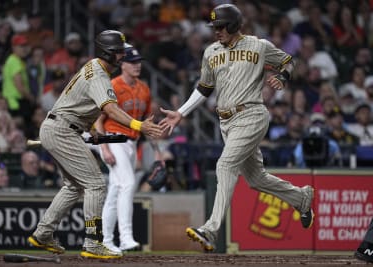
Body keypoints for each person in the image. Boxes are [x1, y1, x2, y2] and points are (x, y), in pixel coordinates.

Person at [159, 4, 314, 252]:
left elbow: (288, 61)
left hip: (251, 114)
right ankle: (300, 198)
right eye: (214, 27)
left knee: (225, 164)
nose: (216, 31)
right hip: (226, 122)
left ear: (233, 25)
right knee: (255, 179)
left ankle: (210, 230)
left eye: (220, 27)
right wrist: (181, 113)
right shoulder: (210, 51)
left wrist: (283, 77)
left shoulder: (258, 45)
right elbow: (204, 88)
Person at [27, 30, 162, 260]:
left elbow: (80, 104)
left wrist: (91, 130)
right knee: (96, 184)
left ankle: (43, 234)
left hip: (59, 127)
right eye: (119, 53)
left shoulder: (94, 66)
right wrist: (139, 126)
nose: (122, 56)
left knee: (73, 187)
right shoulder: (99, 75)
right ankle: (93, 242)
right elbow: (109, 109)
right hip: (62, 130)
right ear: (109, 53)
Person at [94, 44, 158, 253]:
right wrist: (104, 148)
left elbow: (147, 124)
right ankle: (126, 238)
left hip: (130, 142)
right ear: (122, 64)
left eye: (139, 61)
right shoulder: (112, 85)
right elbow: (97, 120)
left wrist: (157, 152)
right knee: (128, 184)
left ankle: (105, 240)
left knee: (115, 191)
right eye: (132, 62)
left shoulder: (144, 89)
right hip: (112, 139)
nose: (137, 65)